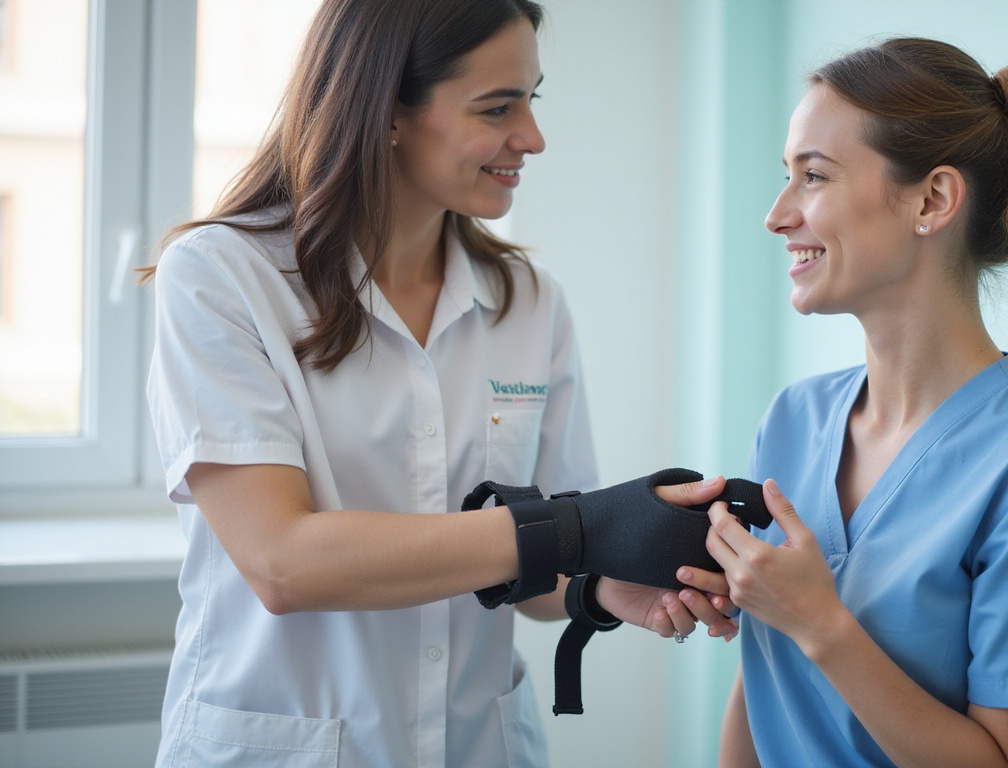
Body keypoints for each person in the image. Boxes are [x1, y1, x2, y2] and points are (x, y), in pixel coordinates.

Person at [142, 1, 735, 766]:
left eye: (532, 98)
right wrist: (574, 531)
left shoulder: (529, 300)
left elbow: (539, 567)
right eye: (496, 107)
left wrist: (598, 586)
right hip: (288, 742)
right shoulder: (223, 278)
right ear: (387, 109)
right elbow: (282, 561)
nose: (532, 137)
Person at [678, 37, 1008, 768]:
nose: (776, 216)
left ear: (932, 200)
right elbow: (763, 686)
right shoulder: (792, 423)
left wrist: (823, 626)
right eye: (786, 177)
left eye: (814, 177)